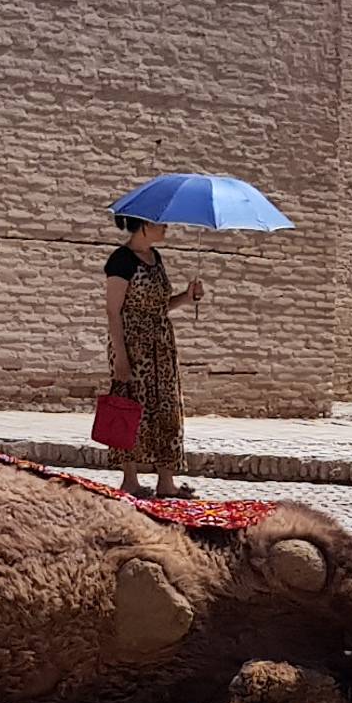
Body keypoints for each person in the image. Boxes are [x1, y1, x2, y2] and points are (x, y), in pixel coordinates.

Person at [103, 213, 205, 499]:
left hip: (162, 347)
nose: (166, 227)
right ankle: (130, 480)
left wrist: (187, 297)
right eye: (160, 223)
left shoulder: (155, 258)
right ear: (144, 225)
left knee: (166, 409)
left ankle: (166, 481)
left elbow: (160, 305)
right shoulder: (121, 260)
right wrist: (121, 355)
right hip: (133, 347)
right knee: (131, 408)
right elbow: (113, 311)